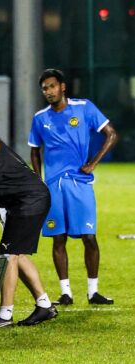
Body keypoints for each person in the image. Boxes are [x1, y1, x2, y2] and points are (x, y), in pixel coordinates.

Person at [29, 68, 118, 305]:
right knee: (59, 238)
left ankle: (93, 292)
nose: (48, 91)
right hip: (54, 186)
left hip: (80, 184)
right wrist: (39, 181)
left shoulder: (84, 107)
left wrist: (93, 163)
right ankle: (66, 293)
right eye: (45, 88)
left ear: (62, 87)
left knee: (89, 237)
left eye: (52, 86)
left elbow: (111, 134)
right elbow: (34, 150)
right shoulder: (40, 118)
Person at [0, 136, 57, 327]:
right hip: (23, 201)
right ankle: (45, 305)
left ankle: (5, 315)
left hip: (29, 201)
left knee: (8, 256)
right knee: (18, 255)